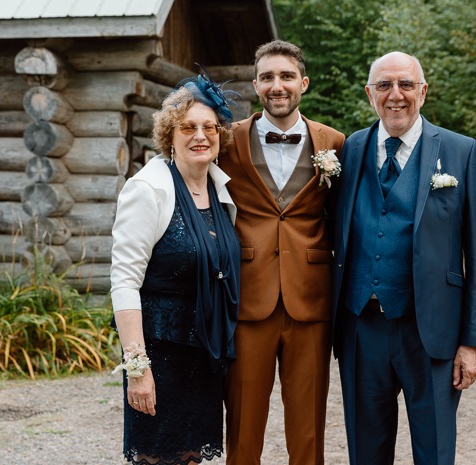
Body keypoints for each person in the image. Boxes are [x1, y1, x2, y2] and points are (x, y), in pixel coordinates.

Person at [331, 51, 476, 465]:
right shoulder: (351, 149)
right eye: (384, 85)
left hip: (432, 332)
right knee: (366, 452)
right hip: (361, 328)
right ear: (370, 94)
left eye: (405, 84)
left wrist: (471, 341)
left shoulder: (460, 151)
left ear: (423, 91)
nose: (395, 95)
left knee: (435, 451)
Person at [219, 40, 345, 465]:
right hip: (247, 301)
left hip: (311, 301)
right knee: (242, 422)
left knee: (308, 425)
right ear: (256, 85)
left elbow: (343, 218)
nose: (278, 85)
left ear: (303, 83)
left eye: (287, 76)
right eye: (268, 77)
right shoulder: (226, 141)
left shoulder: (335, 143)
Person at [110, 72, 241, 465]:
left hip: (202, 353)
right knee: (157, 458)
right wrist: (137, 367)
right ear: (170, 135)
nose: (200, 135)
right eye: (188, 127)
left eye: (209, 127)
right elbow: (124, 282)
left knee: (188, 458)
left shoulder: (219, 188)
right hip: (159, 354)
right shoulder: (148, 188)